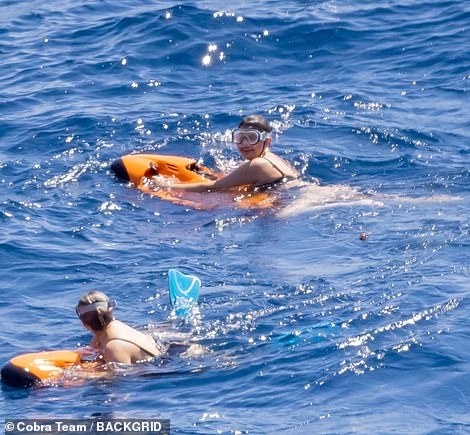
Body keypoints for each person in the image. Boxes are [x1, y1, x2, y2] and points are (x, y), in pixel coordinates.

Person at [153, 114, 299, 192]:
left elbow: (212, 187)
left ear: (267, 141)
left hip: (300, 201)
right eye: (240, 137)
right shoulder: (274, 158)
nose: (245, 144)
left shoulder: (258, 164)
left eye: (252, 138)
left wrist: (165, 186)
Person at [76, 291, 164, 364]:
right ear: (111, 313)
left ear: (85, 325)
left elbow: (121, 380)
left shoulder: (115, 347)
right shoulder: (102, 334)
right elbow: (91, 353)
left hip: (159, 369)